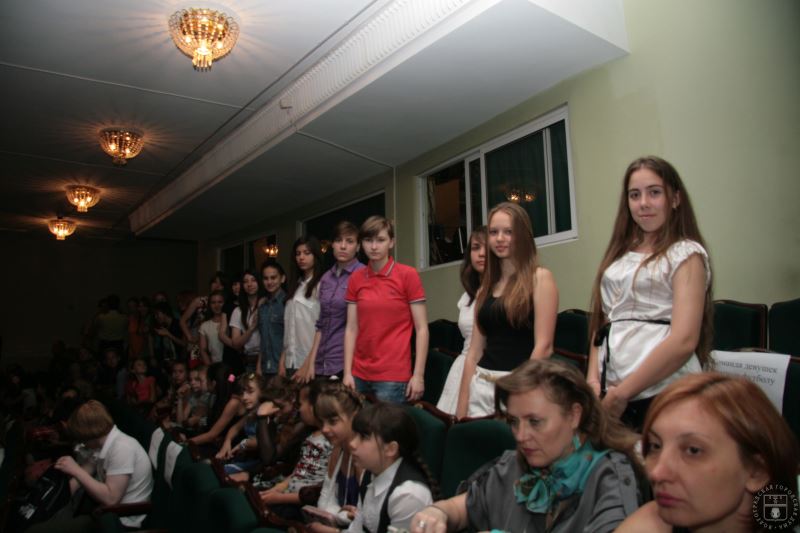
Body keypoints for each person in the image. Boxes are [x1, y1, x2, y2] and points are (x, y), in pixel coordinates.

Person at [411, 358, 643, 533]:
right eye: (514, 422)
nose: (521, 436)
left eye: (535, 422)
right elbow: (462, 508)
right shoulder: (514, 464)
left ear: (574, 415)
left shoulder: (610, 477)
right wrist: (437, 512)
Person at [586, 156, 713, 429]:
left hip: (666, 392)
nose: (643, 203)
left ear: (675, 199)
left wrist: (623, 393)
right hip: (613, 390)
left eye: (654, 192)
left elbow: (684, 340)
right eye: (635, 195)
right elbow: (604, 324)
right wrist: (593, 380)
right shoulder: (619, 256)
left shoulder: (686, 254)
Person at [616, 372, 800, 533]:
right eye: (655, 446)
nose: (657, 473)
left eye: (693, 451)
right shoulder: (651, 523)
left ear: (757, 472)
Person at [455, 202, 558, 418]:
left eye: (508, 232)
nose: (499, 238)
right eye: (494, 232)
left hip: (518, 387)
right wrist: (461, 411)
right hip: (481, 386)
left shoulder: (540, 279)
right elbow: (474, 353)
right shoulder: (485, 287)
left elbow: (544, 347)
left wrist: (519, 393)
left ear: (522, 236)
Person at [343, 216, 429, 403]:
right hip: (358, 374)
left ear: (391, 242)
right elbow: (351, 328)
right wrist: (347, 372)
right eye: (368, 240)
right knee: (356, 423)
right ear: (361, 244)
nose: (374, 247)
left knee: (386, 424)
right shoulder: (355, 279)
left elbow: (422, 329)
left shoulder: (408, 275)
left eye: (380, 240)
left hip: (393, 376)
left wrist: (418, 375)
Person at [31, 400, 153, 531]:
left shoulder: (122, 448)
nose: (82, 443)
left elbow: (111, 499)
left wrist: (75, 470)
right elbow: (87, 470)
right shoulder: (102, 442)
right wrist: (54, 499)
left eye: (82, 439)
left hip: (122, 522)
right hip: (107, 514)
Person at [346, 403, 435, 533]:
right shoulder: (370, 470)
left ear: (390, 449)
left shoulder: (407, 496)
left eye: (364, 437)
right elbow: (357, 529)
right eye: (355, 435)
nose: (352, 443)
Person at [296, 221, 366, 382]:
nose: (343, 246)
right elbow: (321, 324)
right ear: (332, 245)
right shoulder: (326, 278)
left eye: (349, 241)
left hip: (348, 363)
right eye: (338, 240)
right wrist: (311, 363)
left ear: (358, 247)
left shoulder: (364, 274)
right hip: (322, 362)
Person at [259, 380, 333, 521]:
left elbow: (320, 490)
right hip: (287, 492)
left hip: (302, 503)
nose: (299, 409)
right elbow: (300, 471)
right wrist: (278, 488)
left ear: (314, 406)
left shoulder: (331, 441)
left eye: (300, 404)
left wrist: (279, 498)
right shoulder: (310, 434)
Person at [436, 226, 486, 414]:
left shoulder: (503, 293)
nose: (481, 254)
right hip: (463, 366)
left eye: (487, 248)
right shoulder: (467, 296)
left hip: (489, 369)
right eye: (475, 248)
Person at [307, 382, 366, 533]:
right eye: (321, 422)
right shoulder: (338, 449)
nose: (324, 429)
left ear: (354, 416)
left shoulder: (365, 456)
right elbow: (324, 501)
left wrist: (336, 523)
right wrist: (341, 515)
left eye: (333, 421)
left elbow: (366, 519)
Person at [281, 237, 323, 377]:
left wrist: (308, 363)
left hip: (310, 362)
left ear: (315, 255)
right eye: (298, 254)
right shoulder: (295, 285)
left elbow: (323, 328)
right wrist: (282, 360)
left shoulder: (322, 285)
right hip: (290, 361)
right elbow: (289, 328)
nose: (301, 257)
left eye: (307, 253)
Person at [221, 270, 262, 373]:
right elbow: (236, 343)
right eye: (245, 281)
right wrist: (251, 329)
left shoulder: (266, 305)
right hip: (249, 360)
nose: (249, 284)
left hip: (269, 358)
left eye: (253, 280)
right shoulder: (238, 311)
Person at [258, 260, 288, 377]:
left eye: (273, 278)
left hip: (282, 367)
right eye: (266, 278)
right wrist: (258, 365)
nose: (269, 282)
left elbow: (290, 337)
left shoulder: (287, 303)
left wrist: (282, 364)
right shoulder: (263, 305)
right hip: (265, 367)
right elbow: (263, 338)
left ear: (282, 279)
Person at [199, 290, 226, 365]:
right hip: (215, 365)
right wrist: (210, 368)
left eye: (220, 302)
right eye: (213, 302)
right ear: (209, 305)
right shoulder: (204, 326)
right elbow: (203, 350)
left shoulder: (231, 322)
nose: (217, 305)